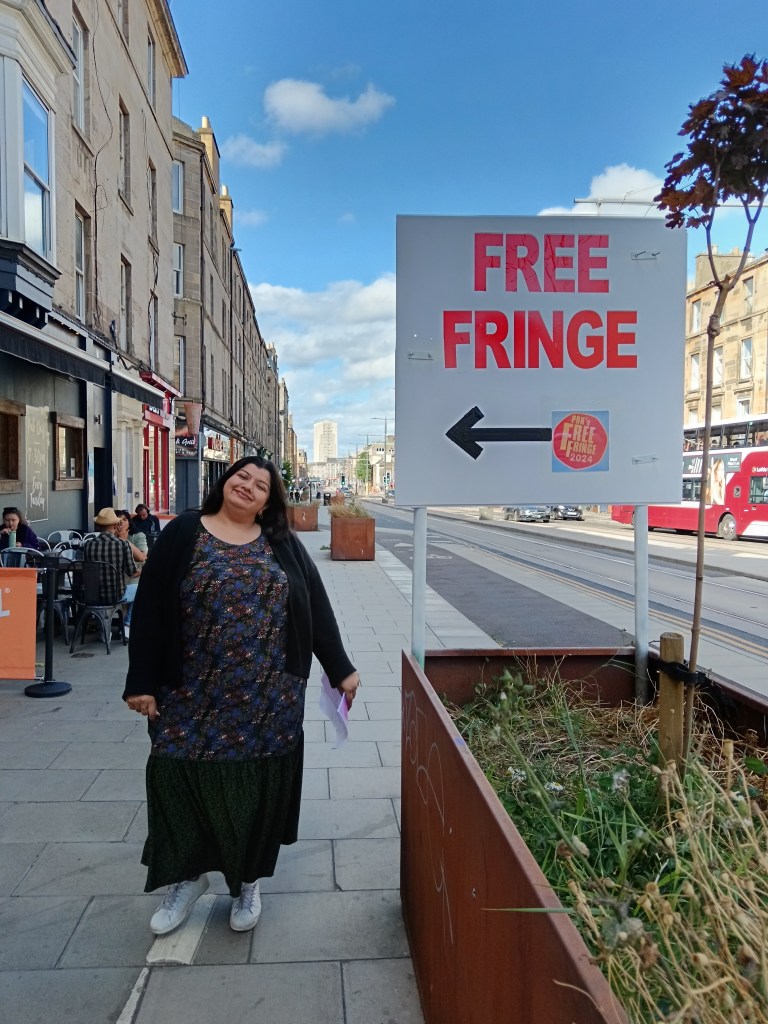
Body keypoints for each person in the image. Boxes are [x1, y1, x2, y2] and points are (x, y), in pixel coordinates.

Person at [122, 456, 360, 937]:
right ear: (225, 482)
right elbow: (148, 609)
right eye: (242, 476)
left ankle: (247, 879)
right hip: (188, 692)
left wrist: (341, 669)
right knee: (177, 778)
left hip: (268, 695)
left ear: (270, 501)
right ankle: (187, 877)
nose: (248, 486)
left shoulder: (282, 544)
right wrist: (141, 682)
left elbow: (314, 605)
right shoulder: (184, 532)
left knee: (255, 787)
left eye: (261, 484)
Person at [84, 508, 140, 635]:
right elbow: (132, 573)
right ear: (115, 525)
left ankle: (103, 628)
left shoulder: (88, 545)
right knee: (142, 587)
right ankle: (127, 624)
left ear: (98, 526)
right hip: (116, 595)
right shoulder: (122, 544)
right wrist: (144, 570)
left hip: (92, 596)